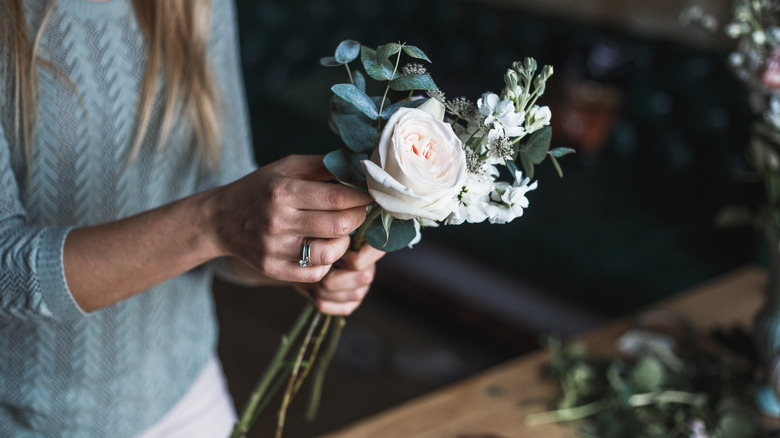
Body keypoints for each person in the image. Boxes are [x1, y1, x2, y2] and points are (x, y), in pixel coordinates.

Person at [0, 0, 384, 436]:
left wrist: (298, 256)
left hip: (187, 393)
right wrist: (216, 221)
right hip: (24, 420)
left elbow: (224, 219)